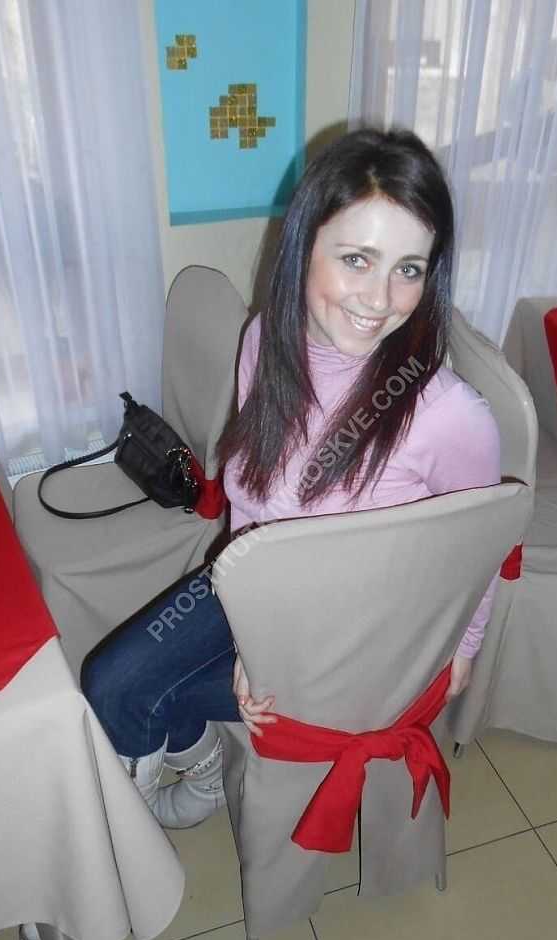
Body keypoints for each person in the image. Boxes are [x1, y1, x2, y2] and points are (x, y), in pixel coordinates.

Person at [81, 127, 500, 830]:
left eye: (408, 268)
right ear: (304, 246)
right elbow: (252, 497)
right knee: (114, 680)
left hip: (358, 644)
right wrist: (253, 636)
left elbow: (482, 547)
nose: (380, 298)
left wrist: (463, 648)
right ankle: (200, 766)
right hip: (262, 588)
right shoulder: (264, 343)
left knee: (144, 691)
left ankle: (162, 802)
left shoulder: (449, 415)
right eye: (357, 259)